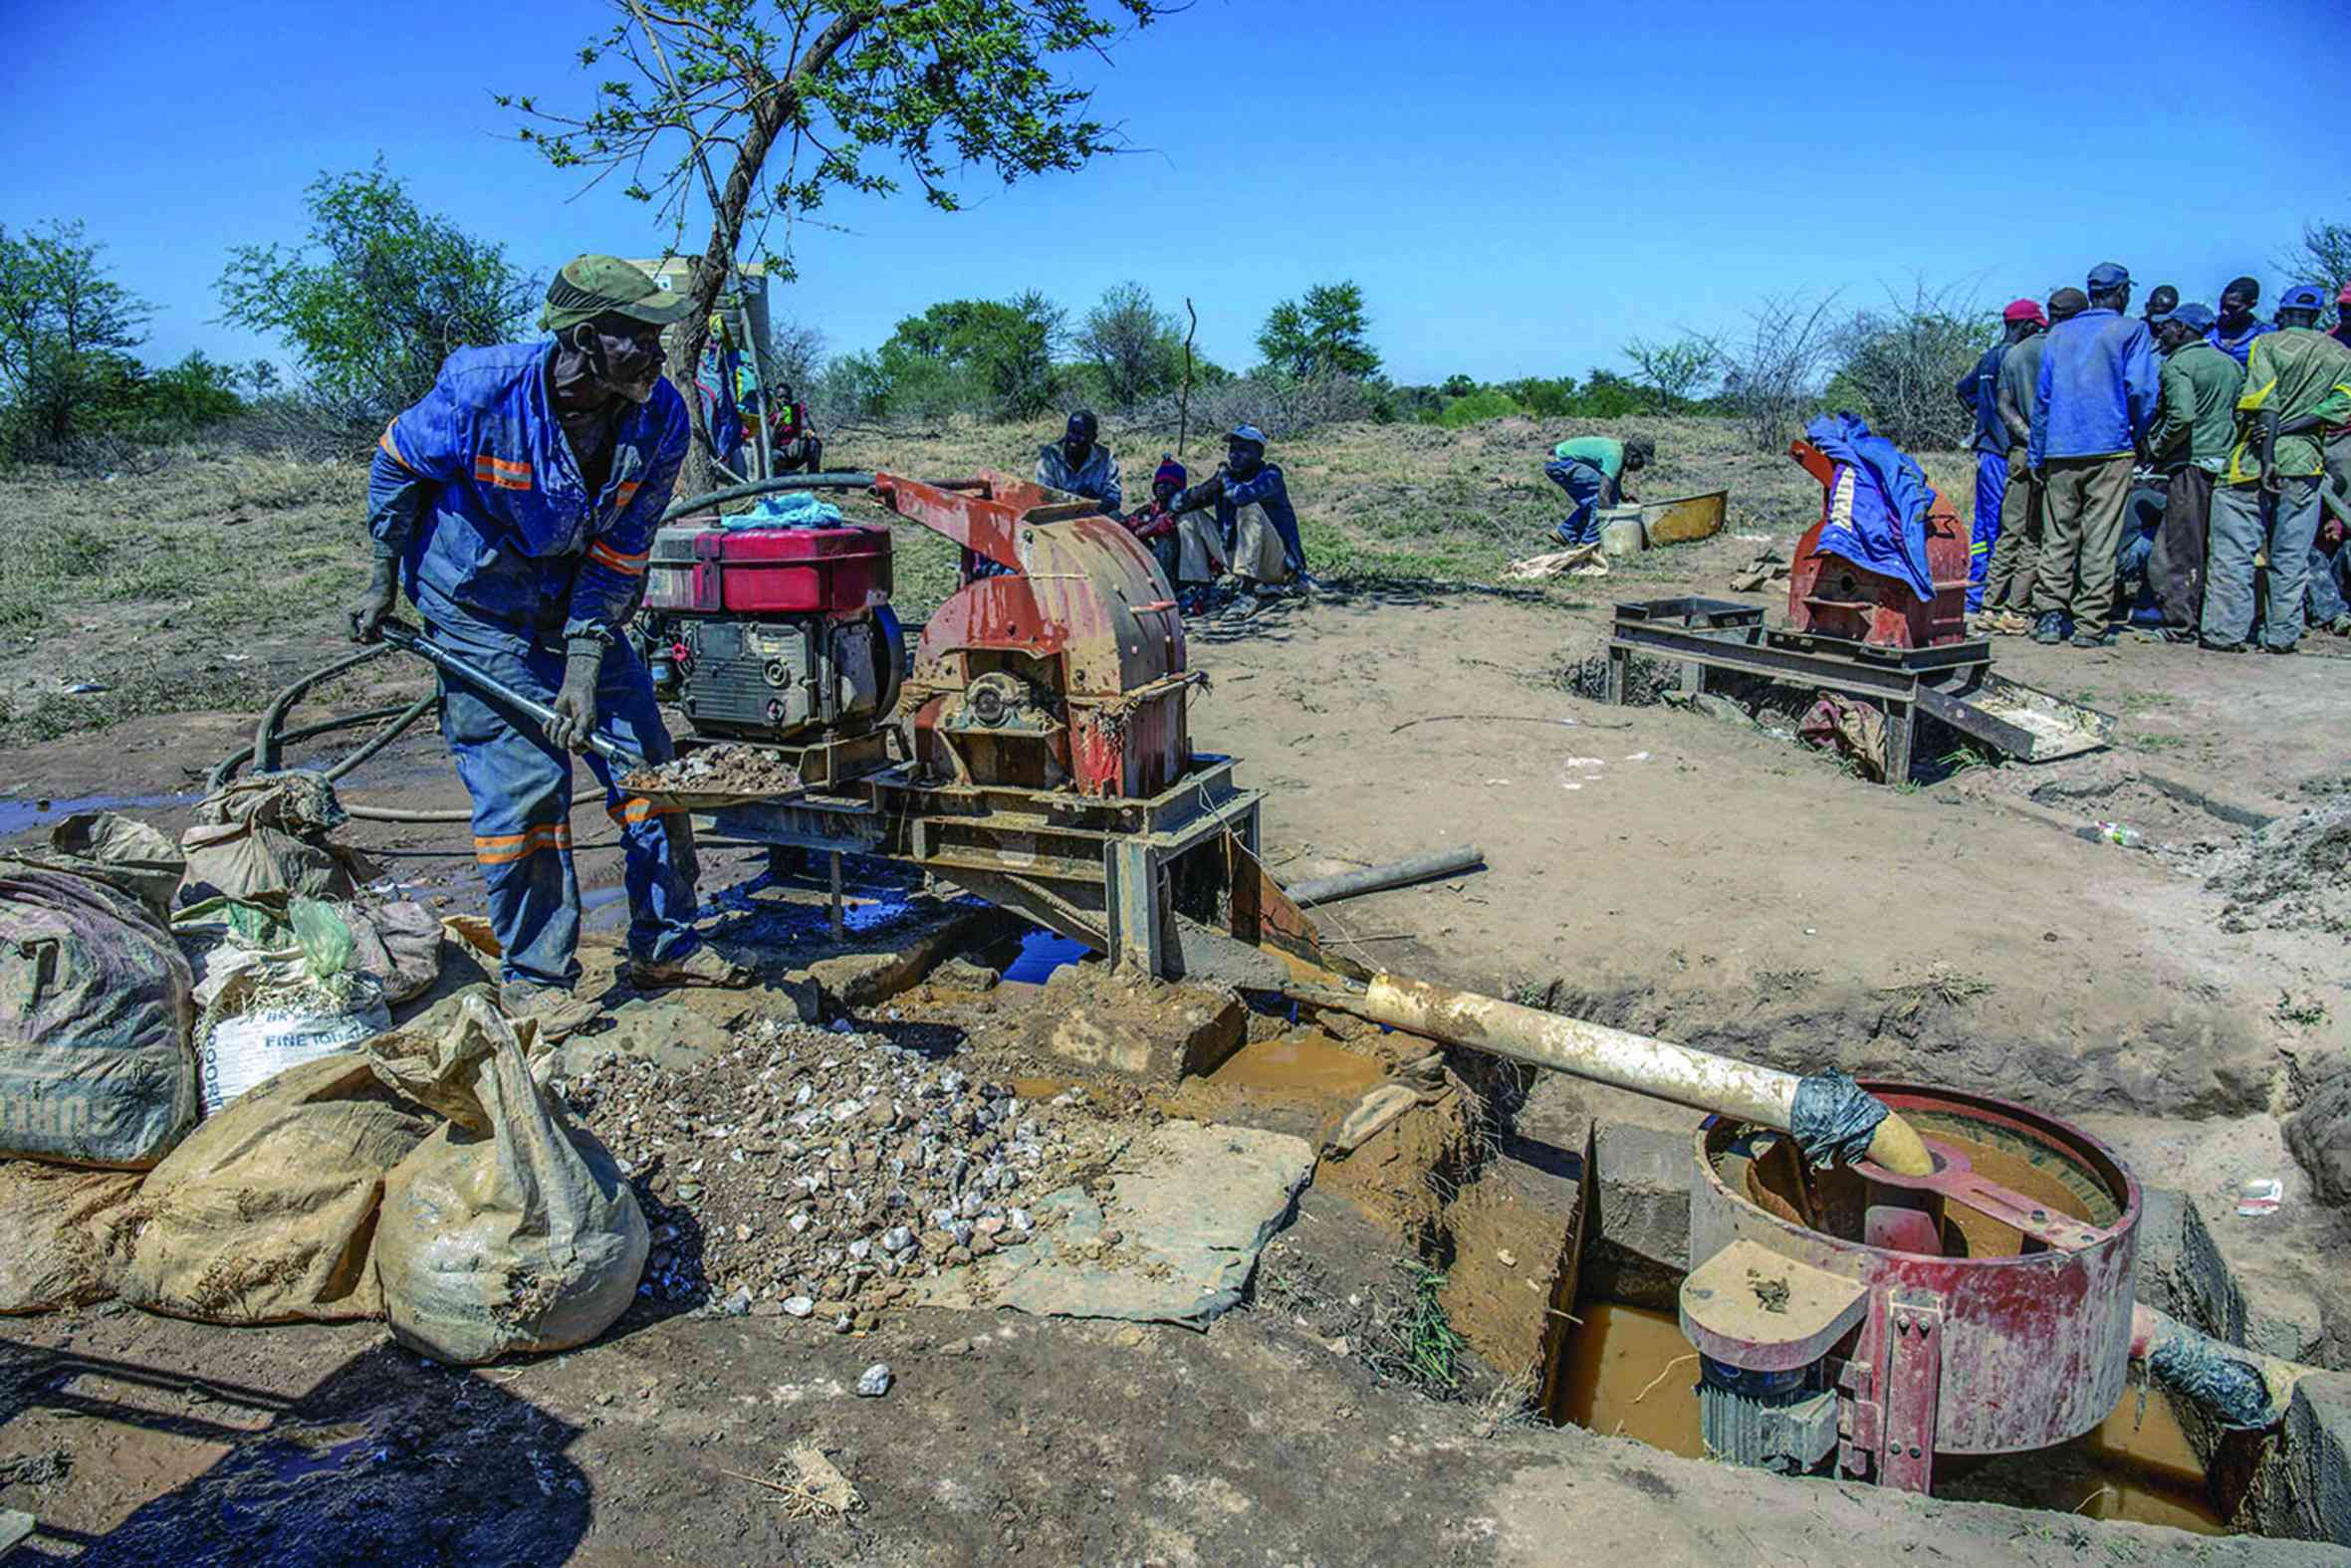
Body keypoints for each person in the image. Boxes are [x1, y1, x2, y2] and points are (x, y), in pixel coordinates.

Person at [349, 254, 750, 1038]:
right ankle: (536, 978)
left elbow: (623, 549)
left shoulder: (660, 414)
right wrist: (378, 579)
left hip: (574, 603)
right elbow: (396, 465)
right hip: (477, 609)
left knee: (648, 769)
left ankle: (666, 944)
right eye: (640, 337)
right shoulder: (482, 389)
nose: (658, 355)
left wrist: (585, 665)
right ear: (587, 339)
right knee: (527, 792)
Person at [2203, 285, 2351, 654]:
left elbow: (2261, 398)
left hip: (2253, 460)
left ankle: (2225, 633)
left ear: (2282, 313)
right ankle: (2282, 635)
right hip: (2305, 462)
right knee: (2292, 554)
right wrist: (2294, 427)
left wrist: (2269, 450)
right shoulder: (2339, 354)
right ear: (2317, 317)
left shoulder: (2266, 345)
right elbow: (2340, 406)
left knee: (2234, 551)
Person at [2027, 264, 2160, 648]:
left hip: (2060, 448)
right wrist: (2137, 432)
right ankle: (2090, 626)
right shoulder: (2132, 330)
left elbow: (2043, 400)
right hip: (2111, 447)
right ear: (2120, 293)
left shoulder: (2060, 333)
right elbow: (2140, 390)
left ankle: (2050, 617)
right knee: (2100, 538)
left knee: (2058, 535)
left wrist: (2038, 453)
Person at [2141, 304, 2239, 641]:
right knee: (2214, 545)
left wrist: (2157, 446)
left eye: (2166, 328)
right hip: (2225, 465)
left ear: (2181, 329)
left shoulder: (2178, 365)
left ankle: (2179, 626)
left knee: (2180, 546)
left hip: (2191, 465)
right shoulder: (2230, 365)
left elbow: (2182, 415)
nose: (2162, 334)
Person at [1956, 302, 2044, 620]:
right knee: (2005, 525)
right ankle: (1996, 593)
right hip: (2005, 453)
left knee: (1983, 526)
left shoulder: (1989, 356)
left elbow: (1963, 392)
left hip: (1986, 451)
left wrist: (1983, 419)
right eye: (2037, 327)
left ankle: (1976, 593)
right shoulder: (2018, 357)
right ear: (2025, 327)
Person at [1981, 296, 2055, 632]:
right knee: (2035, 534)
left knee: (2008, 530)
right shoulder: (2058, 351)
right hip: (2049, 452)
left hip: (2016, 451)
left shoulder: (2011, 356)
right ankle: (2017, 608)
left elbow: (2002, 406)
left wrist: (2023, 437)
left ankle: (1989, 605)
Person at [1171, 424, 1308, 599]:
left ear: (1259, 453)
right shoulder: (1228, 479)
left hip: (1275, 564)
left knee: (1249, 508)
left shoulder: (1271, 475)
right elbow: (1176, 505)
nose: (1234, 455)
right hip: (1235, 558)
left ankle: (1247, 592)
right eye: (1232, 449)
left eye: (1243, 450)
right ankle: (1198, 587)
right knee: (1189, 517)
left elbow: (1240, 497)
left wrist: (1224, 477)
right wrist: (1208, 486)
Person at [1542, 433, 1654, 547]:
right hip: (1560, 463)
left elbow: (1614, 481)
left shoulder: (1620, 453)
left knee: (1604, 497)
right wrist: (1611, 520)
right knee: (1601, 499)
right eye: (1641, 461)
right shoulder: (1614, 456)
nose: (1641, 466)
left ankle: (1564, 533)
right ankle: (1589, 543)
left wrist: (1622, 496)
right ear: (1633, 455)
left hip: (1559, 462)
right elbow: (1602, 497)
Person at [1036, 409, 1122, 514]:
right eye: (1071, 432)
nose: (1074, 439)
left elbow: (1114, 497)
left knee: (1116, 516)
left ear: (1093, 438)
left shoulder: (1106, 458)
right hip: (1059, 516)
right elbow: (1043, 495)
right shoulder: (1050, 456)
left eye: (1081, 434)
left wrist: (1092, 505)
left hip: (1095, 515)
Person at [2208, 277, 2276, 368]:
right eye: (2222, 305)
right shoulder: (2206, 329)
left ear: (2252, 305)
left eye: (2233, 307)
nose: (2224, 312)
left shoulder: (2266, 336)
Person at [767, 382, 823, 474]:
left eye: (787, 397)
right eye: (780, 397)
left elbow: (809, 429)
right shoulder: (770, 414)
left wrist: (801, 436)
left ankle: (813, 480)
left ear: (791, 398)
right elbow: (769, 443)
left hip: (796, 450)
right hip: (780, 454)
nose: (784, 400)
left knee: (814, 443)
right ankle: (778, 479)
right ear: (776, 399)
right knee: (774, 456)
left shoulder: (798, 409)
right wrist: (776, 427)